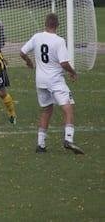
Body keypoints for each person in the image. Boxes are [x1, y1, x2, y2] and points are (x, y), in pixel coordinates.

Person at [19, 14, 84, 154]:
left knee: (46, 110)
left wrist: (29, 62)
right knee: (68, 107)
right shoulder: (59, 41)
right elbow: (64, 63)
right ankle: (68, 139)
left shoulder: (37, 37)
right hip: (55, 80)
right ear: (57, 25)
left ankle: (40, 145)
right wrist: (73, 72)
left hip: (40, 81)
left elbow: (22, 52)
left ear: (45, 23)